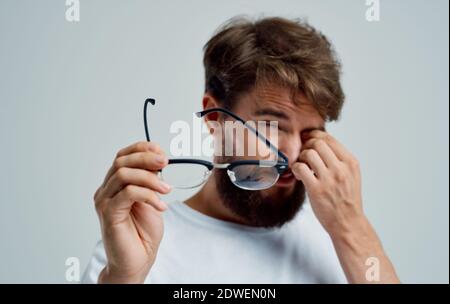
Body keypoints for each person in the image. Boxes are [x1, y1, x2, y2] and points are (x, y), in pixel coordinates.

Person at [82, 16, 399, 284]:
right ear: (215, 117)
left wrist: (351, 225)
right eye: (271, 126)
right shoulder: (138, 246)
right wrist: (123, 277)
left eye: (311, 132)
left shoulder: (338, 233)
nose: (293, 152)